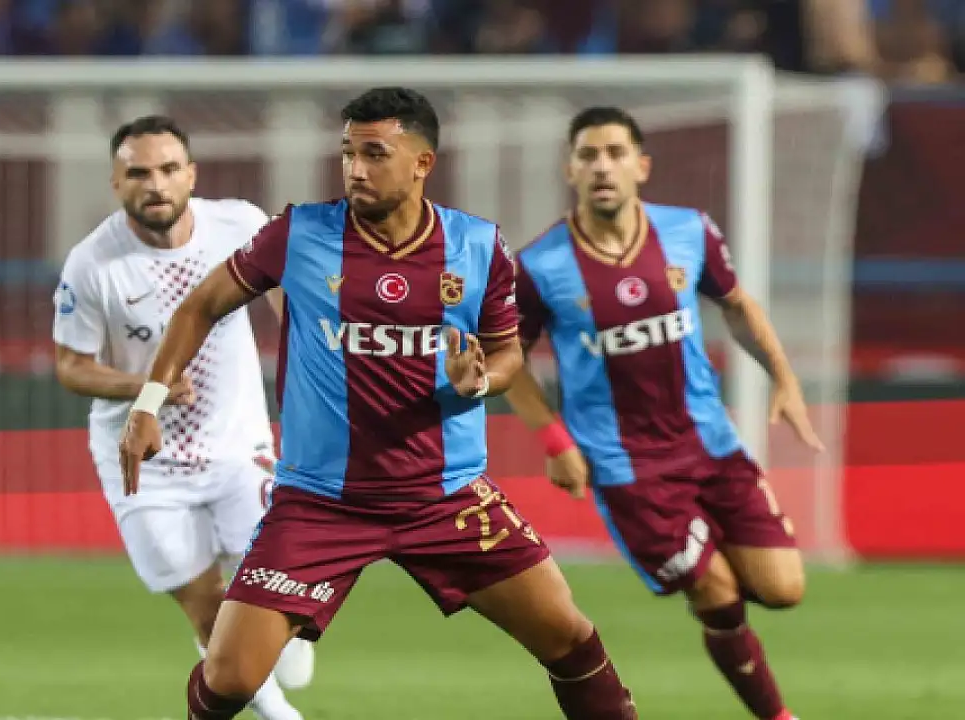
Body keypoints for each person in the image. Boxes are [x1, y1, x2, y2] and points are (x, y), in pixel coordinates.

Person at [120, 88, 638, 720]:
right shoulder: (298, 234)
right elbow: (200, 306)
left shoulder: (477, 246)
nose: (355, 169)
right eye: (348, 153)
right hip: (321, 501)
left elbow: (506, 353)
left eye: (374, 154)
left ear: (422, 163)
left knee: (569, 638)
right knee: (228, 676)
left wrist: (479, 380)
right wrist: (148, 403)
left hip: (445, 495)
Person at [507, 106, 823, 720]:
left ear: (642, 166)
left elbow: (737, 305)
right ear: (570, 170)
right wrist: (555, 440)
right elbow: (509, 361)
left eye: (616, 153)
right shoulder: (541, 265)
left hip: (712, 446)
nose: (603, 167)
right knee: (717, 592)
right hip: (628, 469)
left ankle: (707, 558)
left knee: (784, 588)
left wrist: (783, 378)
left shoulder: (689, 231)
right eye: (589, 155)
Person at [51, 115, 312, 720]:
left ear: (191, 175)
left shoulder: (240, 226)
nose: (156, 184)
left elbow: (291, 303)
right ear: (116, 183)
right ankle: (280, 716)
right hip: (145, 463)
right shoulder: (93, 264)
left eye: (169, 169)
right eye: (138, 173)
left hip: (238, 447)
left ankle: (289, 640)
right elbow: (70, 366)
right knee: (207, 608)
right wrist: (146, 387)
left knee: (282, 586)